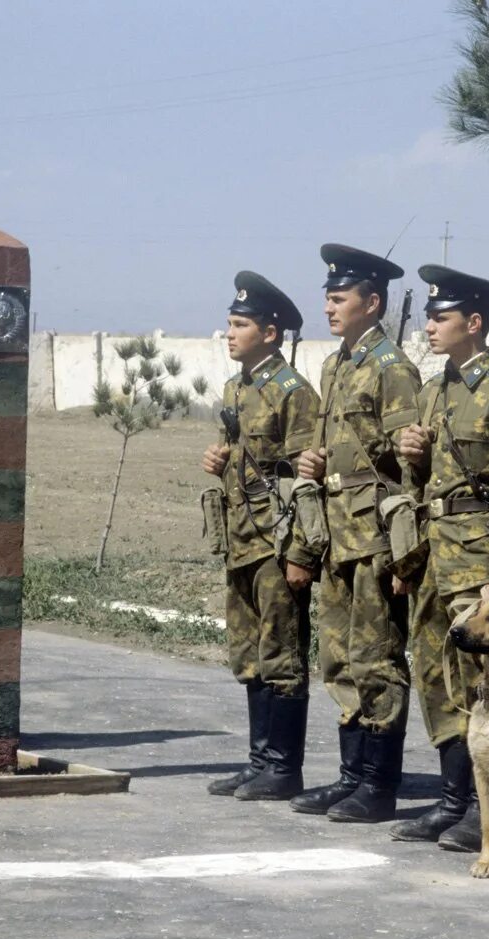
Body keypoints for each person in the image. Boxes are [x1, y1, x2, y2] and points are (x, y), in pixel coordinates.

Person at [390, 264, 489, 849]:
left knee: (482, 684)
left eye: (442, 316)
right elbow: (431, 479)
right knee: (437, 676)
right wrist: (412, 452)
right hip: (438, 555)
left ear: (475, 322)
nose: (430, 326)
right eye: (430, 316)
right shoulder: (438, 389)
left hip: (483, 565)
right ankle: (455, 801)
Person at [290, 244, 421, 823]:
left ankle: (379, 783)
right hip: (337, 536)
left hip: (373, 539)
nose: (328, 307)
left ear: (372, 303)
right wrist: (317, 462)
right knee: (340, 660)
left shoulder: (393, 370)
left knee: (378, 660)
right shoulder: (336, 365)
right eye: (326, 297)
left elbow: (411, 466)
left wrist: (406, 557)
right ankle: (350, 777)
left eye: (339, 298)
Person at [202, 271, 320, 801]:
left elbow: (304, 480)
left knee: (282, 653)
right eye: (229, 323)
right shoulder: (237, 387)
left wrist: (300, 554)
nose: (230, 333)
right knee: (249, 653)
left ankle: (283, 768)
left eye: (240, 324)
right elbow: (239, 451)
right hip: (241, 539)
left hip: (276, 541)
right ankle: (258, 761)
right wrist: (218, 458)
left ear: (269, 333)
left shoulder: (293, 392)